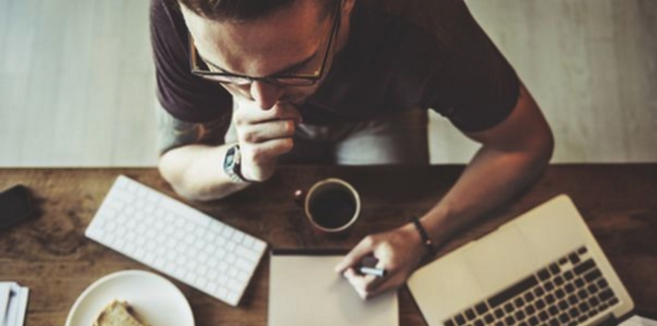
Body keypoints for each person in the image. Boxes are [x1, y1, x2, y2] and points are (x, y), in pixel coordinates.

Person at [150, 0, 554, 300]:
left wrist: (422, 235)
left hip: (379, 116)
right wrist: (238, 161)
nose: (264, 103)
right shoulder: (178, 13)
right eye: (224, 71)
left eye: (294, 68)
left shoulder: (428, 25)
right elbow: (176, 164)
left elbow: (527, 145)